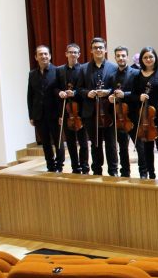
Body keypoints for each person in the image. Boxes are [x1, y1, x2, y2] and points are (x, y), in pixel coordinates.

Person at [76, 37, 118, 176]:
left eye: (101, 47)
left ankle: (113, 171)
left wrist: (108, 92)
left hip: (109, 112)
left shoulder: (114, 67)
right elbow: (79, 89)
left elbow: (117, 88)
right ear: (91, 50)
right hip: (90, 112)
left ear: (105, 50)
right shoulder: (83, 68)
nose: (98, 50)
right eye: (95, 48)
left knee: (111, 144)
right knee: (95, 144)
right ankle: (97, 171)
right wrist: (88, 93)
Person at [132, 47, 158, 179]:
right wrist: (139, 97)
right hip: (144, 117)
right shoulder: (137, 75)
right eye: (145, 57)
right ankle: (151, 174)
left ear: (155, 58)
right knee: (147, 147)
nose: (148, 59)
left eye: (151, 57)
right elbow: (133, 95)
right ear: (141, 60)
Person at [27, 45, 64, 172]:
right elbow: (30, 95)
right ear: (36, 57)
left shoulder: (57, 71)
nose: (43, 56)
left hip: (54, 114)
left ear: (50, 56)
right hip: (39, 114)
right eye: (40, 54)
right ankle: (50, 166)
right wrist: (31, 115)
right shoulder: (32, 74)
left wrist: (61, 114)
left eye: (45, 54)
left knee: (58, 141)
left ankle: (59, 165)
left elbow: (60, 95)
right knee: (45, 143)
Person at [55, 43, 89, 174]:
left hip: (81, 111)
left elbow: (85, 89)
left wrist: (75, 93)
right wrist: (60, 93)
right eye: (70, 52)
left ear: (79, 54)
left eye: (75, 52)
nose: (73, 54)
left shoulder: (84, 69)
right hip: (66, 111)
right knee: (70, 142)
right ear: (66, 54)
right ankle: (75, 167)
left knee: (83, 142)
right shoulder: (59, 70)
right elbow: (55, 88)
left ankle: (85, 167)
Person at [106, 46, 139, 177]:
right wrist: (111, 96)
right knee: (123, 147)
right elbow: (110, 90)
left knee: (139, 146)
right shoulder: (112, 75)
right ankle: (125, 172)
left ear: (127, 57)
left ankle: (144, 172)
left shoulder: (136, 73)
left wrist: (124, 94)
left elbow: (137, 93)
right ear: (115, 58)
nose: (121, 58)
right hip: (119, 116)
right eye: (118, 56)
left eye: (123, 55)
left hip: (133, 115)